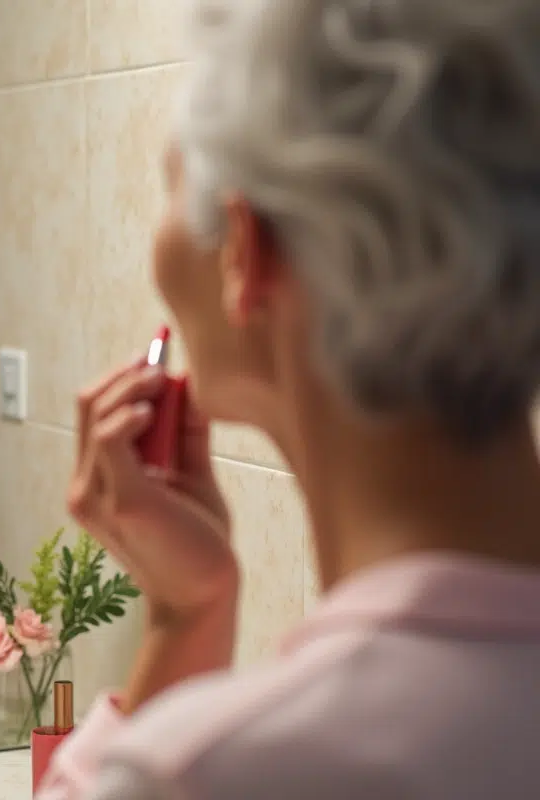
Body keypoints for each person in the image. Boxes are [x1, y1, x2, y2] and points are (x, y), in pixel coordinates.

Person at [43, 1, 540, 798]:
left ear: (247, 250)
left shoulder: (224, 771)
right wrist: (196, 598)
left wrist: (182, 620)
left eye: (171, 184)